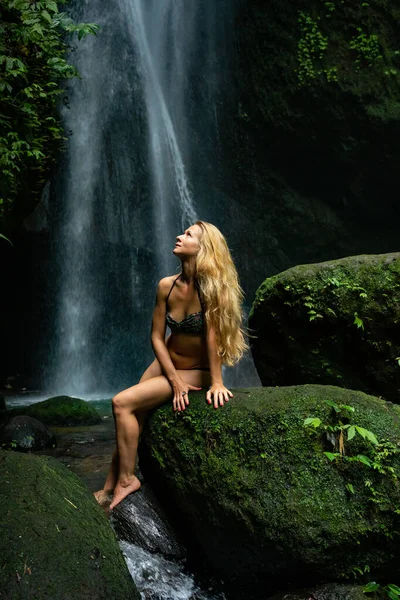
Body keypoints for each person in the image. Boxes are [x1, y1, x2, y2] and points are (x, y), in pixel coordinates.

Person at [94, 221, 247, 510]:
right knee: (130, 416)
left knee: (121, 403)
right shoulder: (167, 285)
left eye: (188, 234)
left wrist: (216, 382)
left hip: (196, 369)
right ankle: (108, 489)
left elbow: (213, 339)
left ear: (203, 249)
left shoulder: (211, 290)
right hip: (167, 363)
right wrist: (173, 379)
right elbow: (156, 336)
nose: (179, 236)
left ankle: (127, 481)